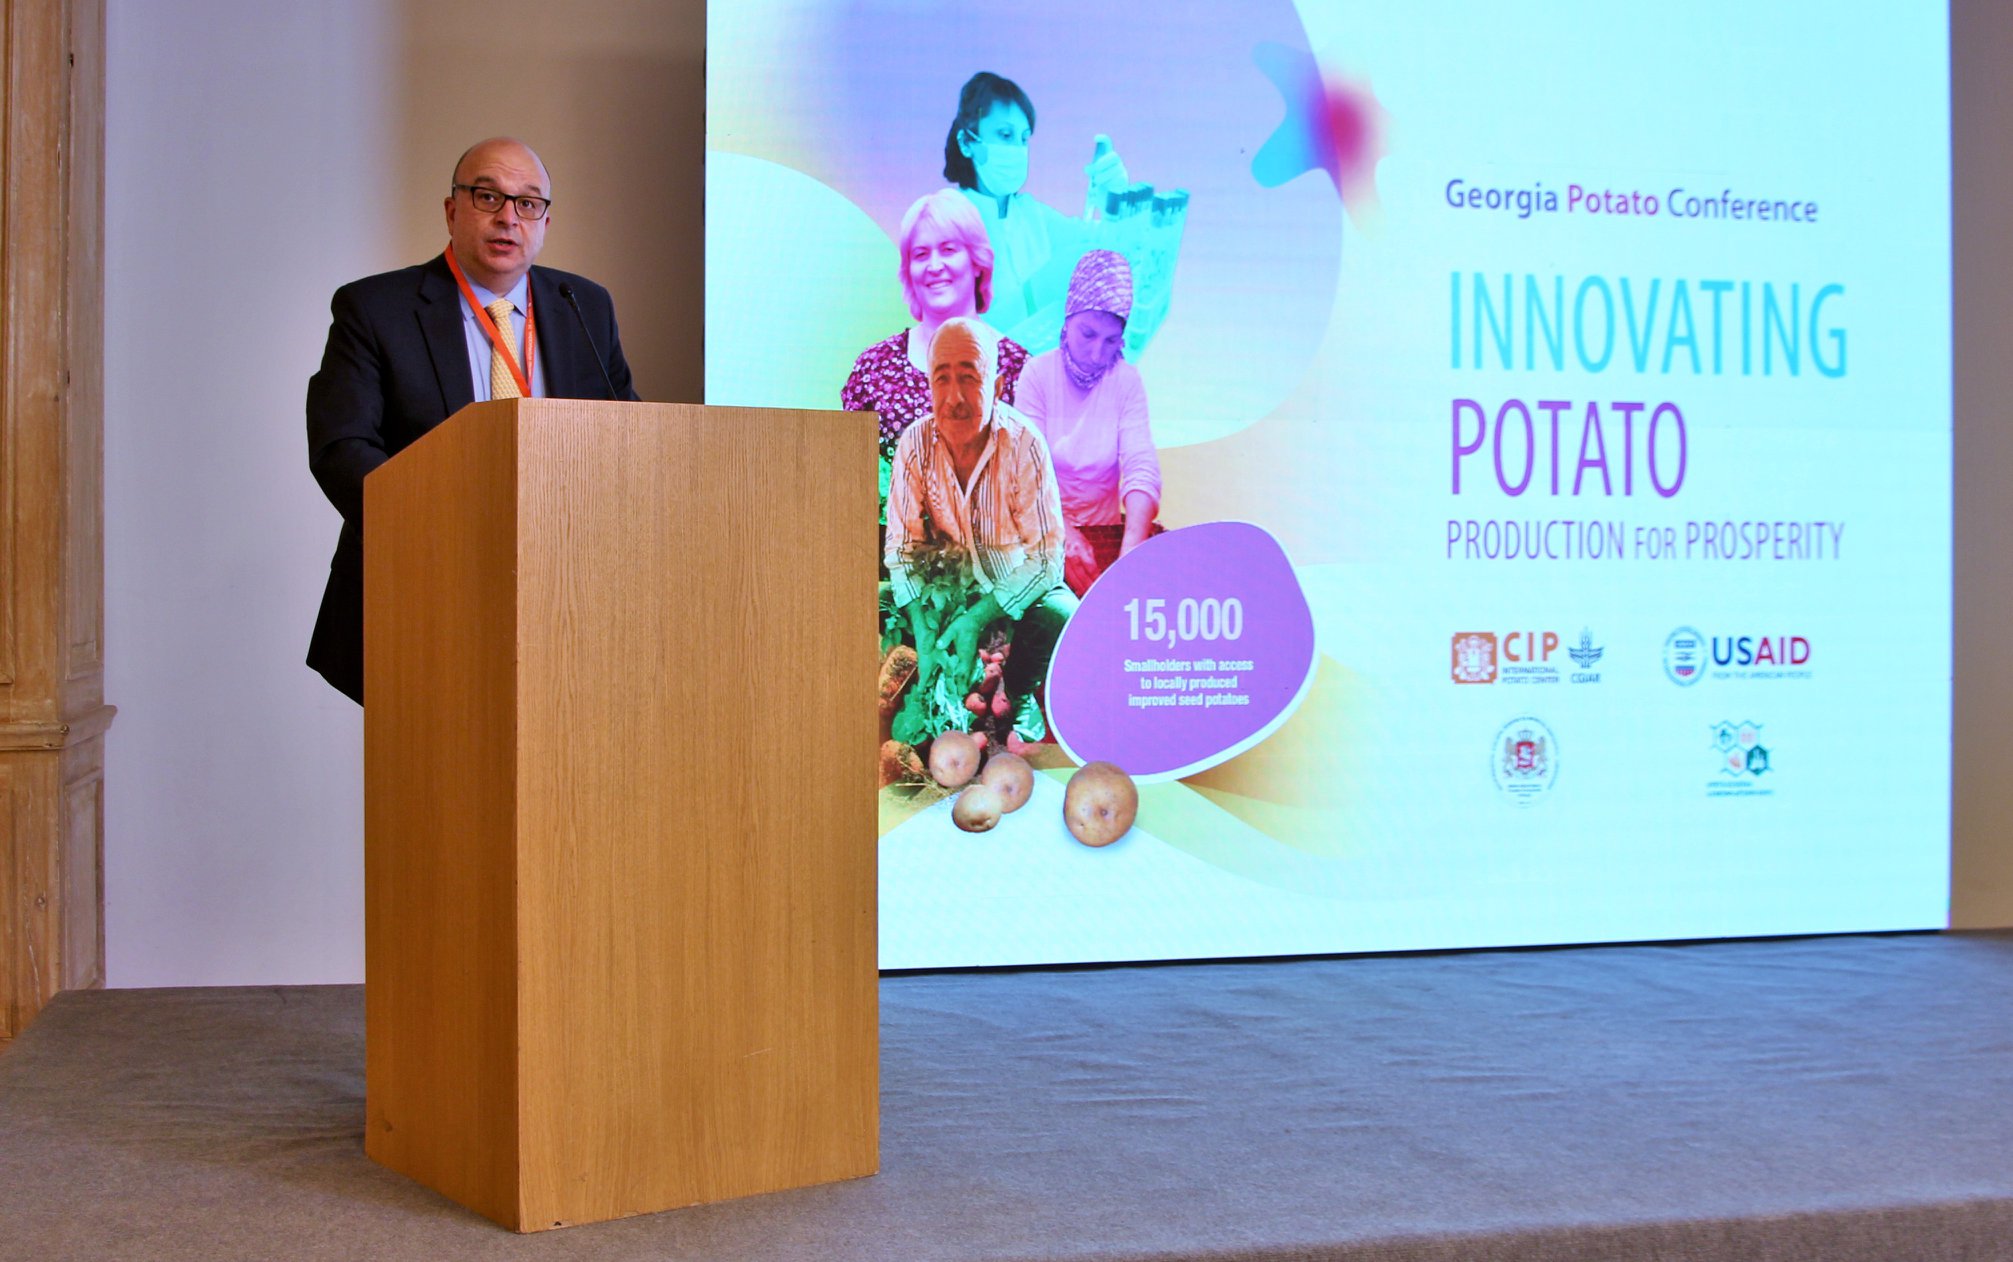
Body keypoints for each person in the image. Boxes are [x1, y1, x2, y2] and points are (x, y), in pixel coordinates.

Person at [305, 137, 638, 704]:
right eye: (488, 197)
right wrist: (445, 532)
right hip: (423, 588)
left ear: (545, 221)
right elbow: (342, 446)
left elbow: (625, 434)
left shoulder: (583, 305)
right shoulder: (376, 309)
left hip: (562, 594)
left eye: (527, 203)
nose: (509, 217)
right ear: (452, 210)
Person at [885, 317, 1075, 730]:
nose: (954, 398)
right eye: (942, 379)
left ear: (998, 387)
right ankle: (935, 689)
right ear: (929, 386)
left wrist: (976, 619)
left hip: (1013, 586)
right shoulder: (915, 443)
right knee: (881, 603)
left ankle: (1015, 692)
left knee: (1061, 612)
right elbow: (900, 551)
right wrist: (923, 629)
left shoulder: (1024, 443)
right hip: (950, 587)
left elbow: (1046, 559)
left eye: (969, 378)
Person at [841, 188, 1029, 491]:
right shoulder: (872, 369)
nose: (934, 266)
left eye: (948, 250)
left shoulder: (1019, 369)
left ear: (976, 261)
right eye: (921, 254)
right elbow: (847, 479)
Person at [943, 72, 1140, 356]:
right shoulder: (946, 221)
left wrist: (1114, 198)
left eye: (1023, 139)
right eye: (1005, 135)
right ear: (966, 142)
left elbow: (1105, 241)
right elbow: (955, 333)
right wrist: (1037, 291)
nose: (1017, 150)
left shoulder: (1030, 213)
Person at [1014, 250, 1162, 595]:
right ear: (1068, 321)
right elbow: (1026, 472)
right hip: (1040, 534)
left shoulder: (1126, 381)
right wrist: (1062, 533)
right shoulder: (1037, 374)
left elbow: (1141, 466)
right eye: (1087, 334)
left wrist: (1130, 554)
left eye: (1110, 341)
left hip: (1103, 536)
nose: (1097, 353)